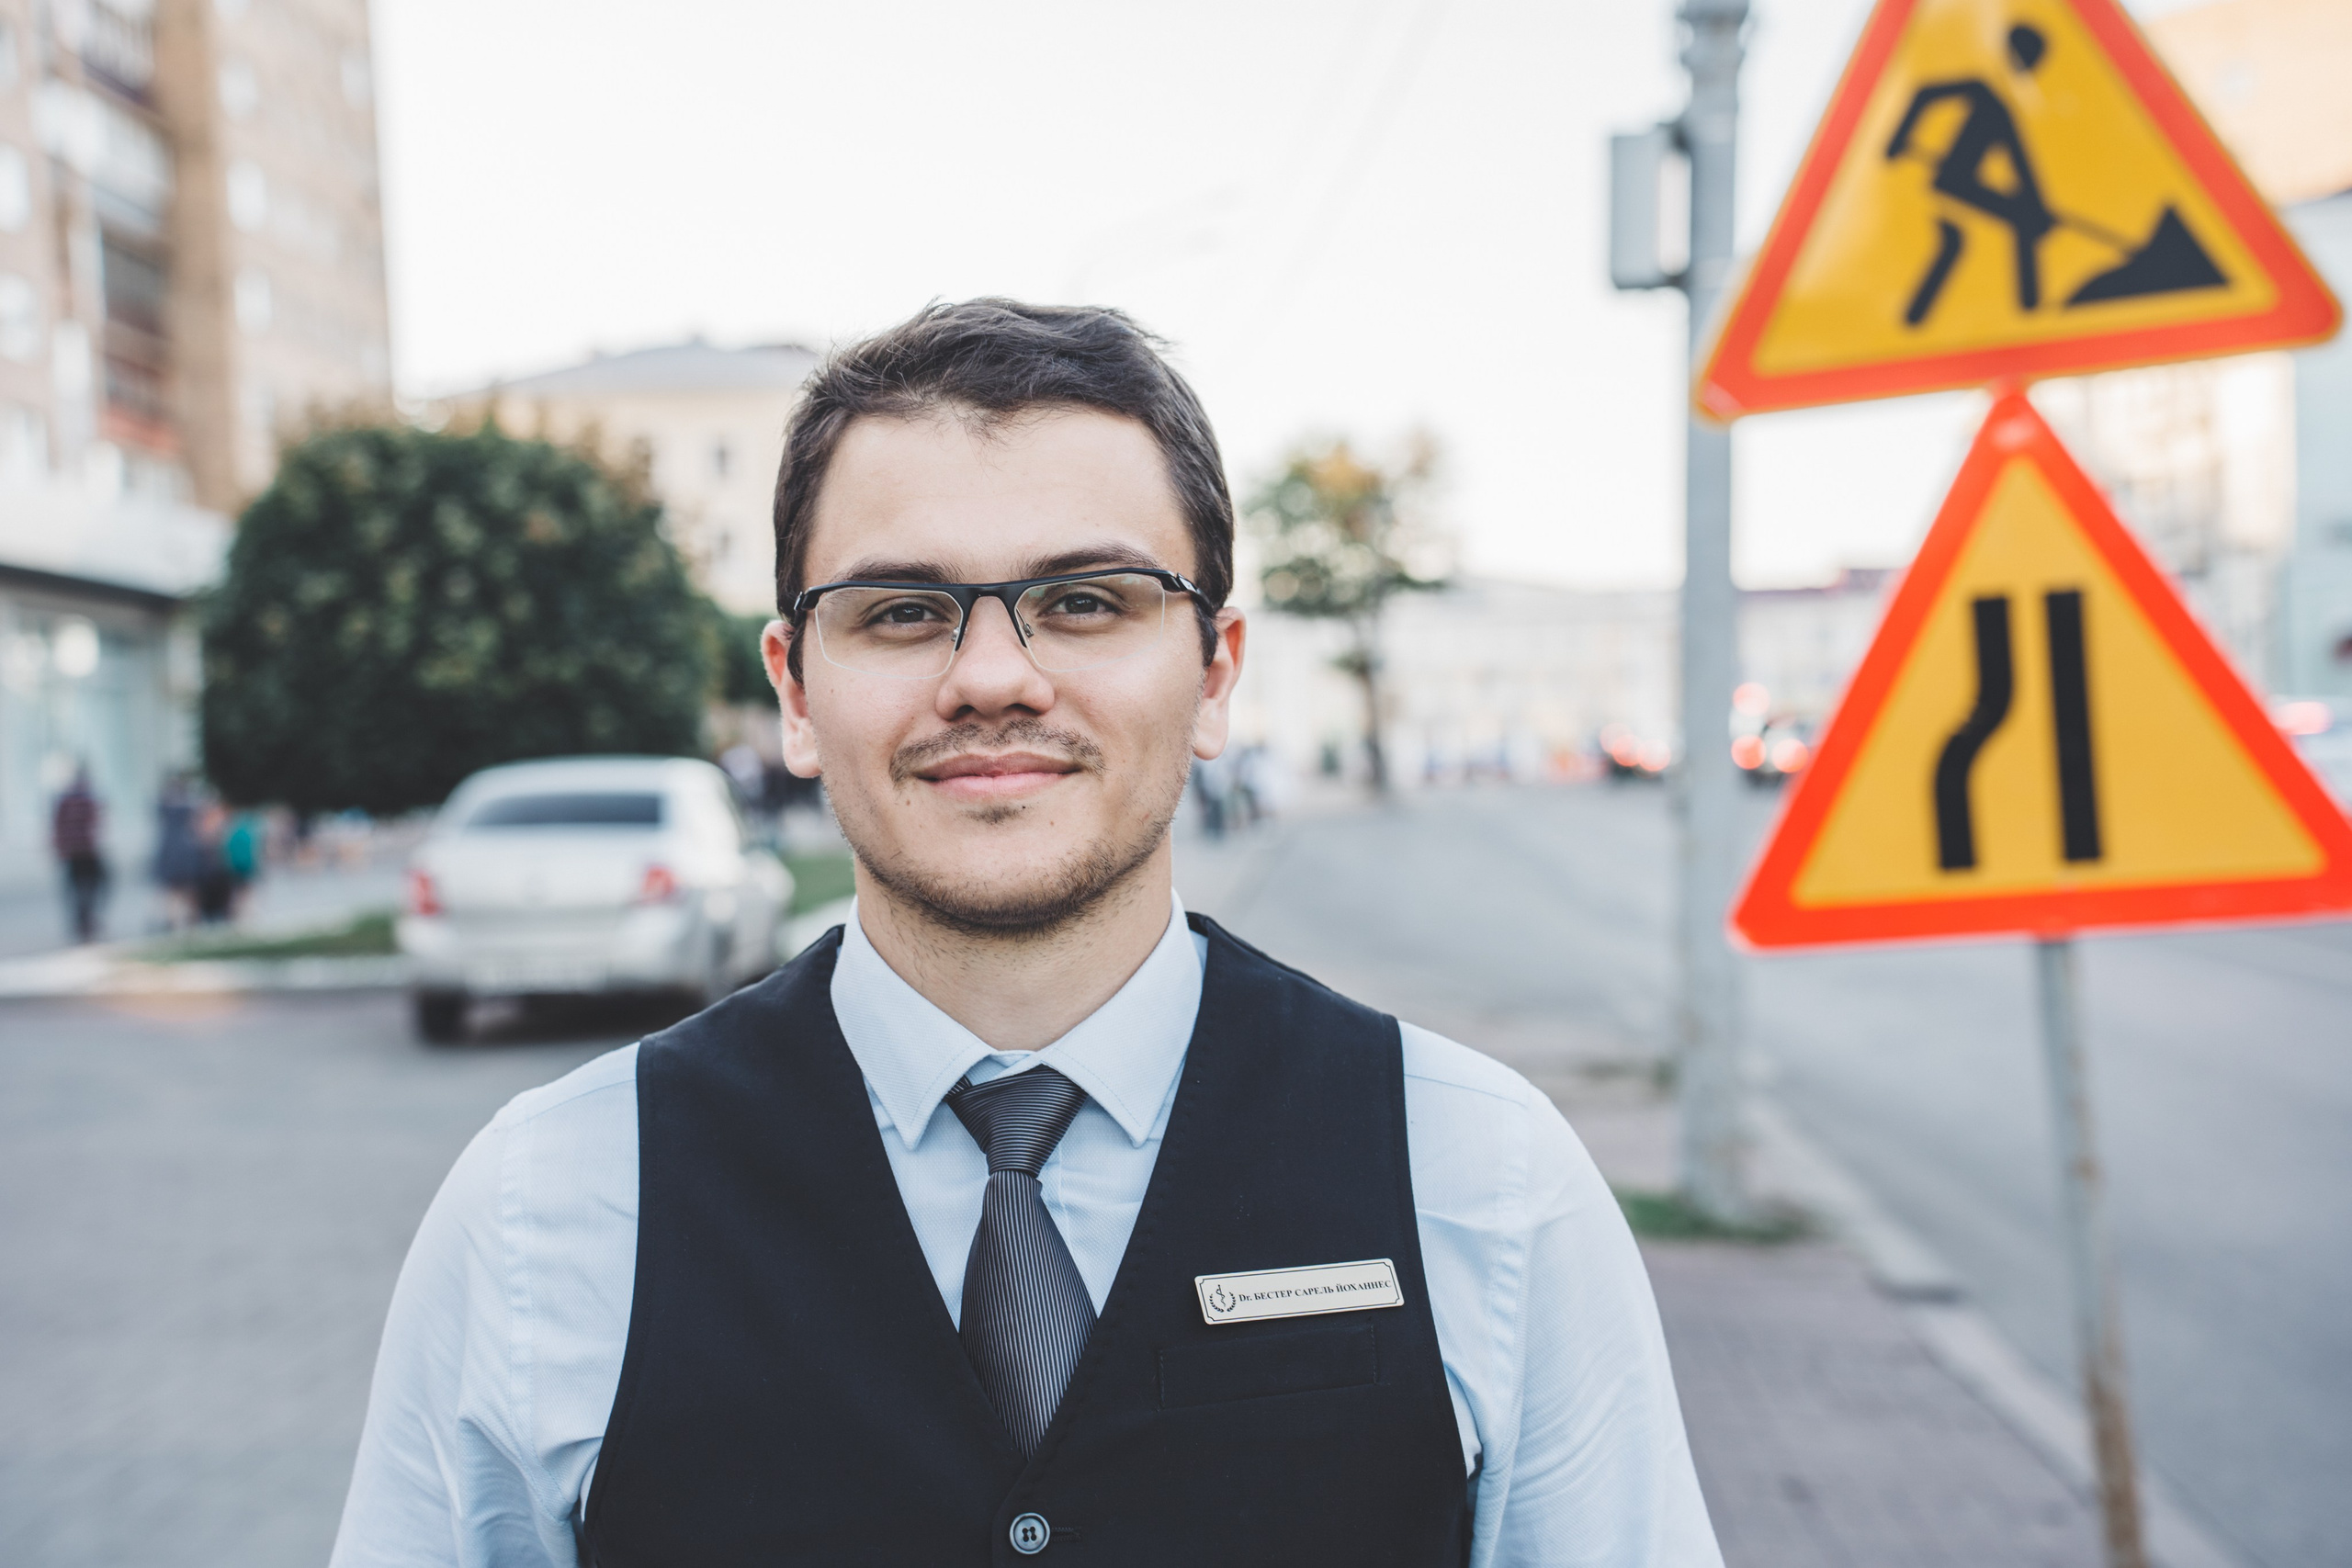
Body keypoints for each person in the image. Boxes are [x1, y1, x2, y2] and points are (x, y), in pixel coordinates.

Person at [332, 301, 1723, 1567]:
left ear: (1217, 670)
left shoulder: (1480, 1176)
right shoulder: (550, 1206)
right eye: (900, 611)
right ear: (797, 690)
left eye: (1084, 600)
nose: (992, 676)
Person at [51, 765, 107, 943]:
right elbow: (97, 823)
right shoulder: (88, 799)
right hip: (87, 849)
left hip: (71, 851)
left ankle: (81, 919)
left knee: (75, 887)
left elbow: (57, 825)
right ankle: (86, 918)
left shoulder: (64, 800)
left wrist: (59, 848)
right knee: (93, 884)